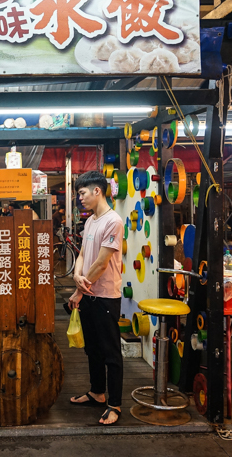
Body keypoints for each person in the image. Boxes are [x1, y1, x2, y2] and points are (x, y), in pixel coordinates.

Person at [67, 171, 125, 425]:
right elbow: (82, 254)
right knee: (92, 349)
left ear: (97, 191)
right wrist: (77, 276)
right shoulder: (91, 221)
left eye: (82, 193)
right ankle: (97, 393)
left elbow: (102, 262)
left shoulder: (113, 221)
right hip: (89, 294)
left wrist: (79, 289)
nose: (80, 198)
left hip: (105, 296)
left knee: (111, 353)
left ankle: (115, 405)